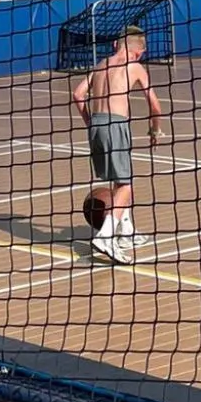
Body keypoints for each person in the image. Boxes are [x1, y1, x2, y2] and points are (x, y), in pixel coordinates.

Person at [71, 24, 162, 265]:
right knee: (126, 185)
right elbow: (155, 105)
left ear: (115, 45)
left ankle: (126, 232)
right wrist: (155, 130)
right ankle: (106, 236)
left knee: (119, 177)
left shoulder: (100, 66)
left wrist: (91, 122)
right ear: (139, 52)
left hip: (97, 126)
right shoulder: (135, 67)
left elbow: (78, 94)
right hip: (116, 125)